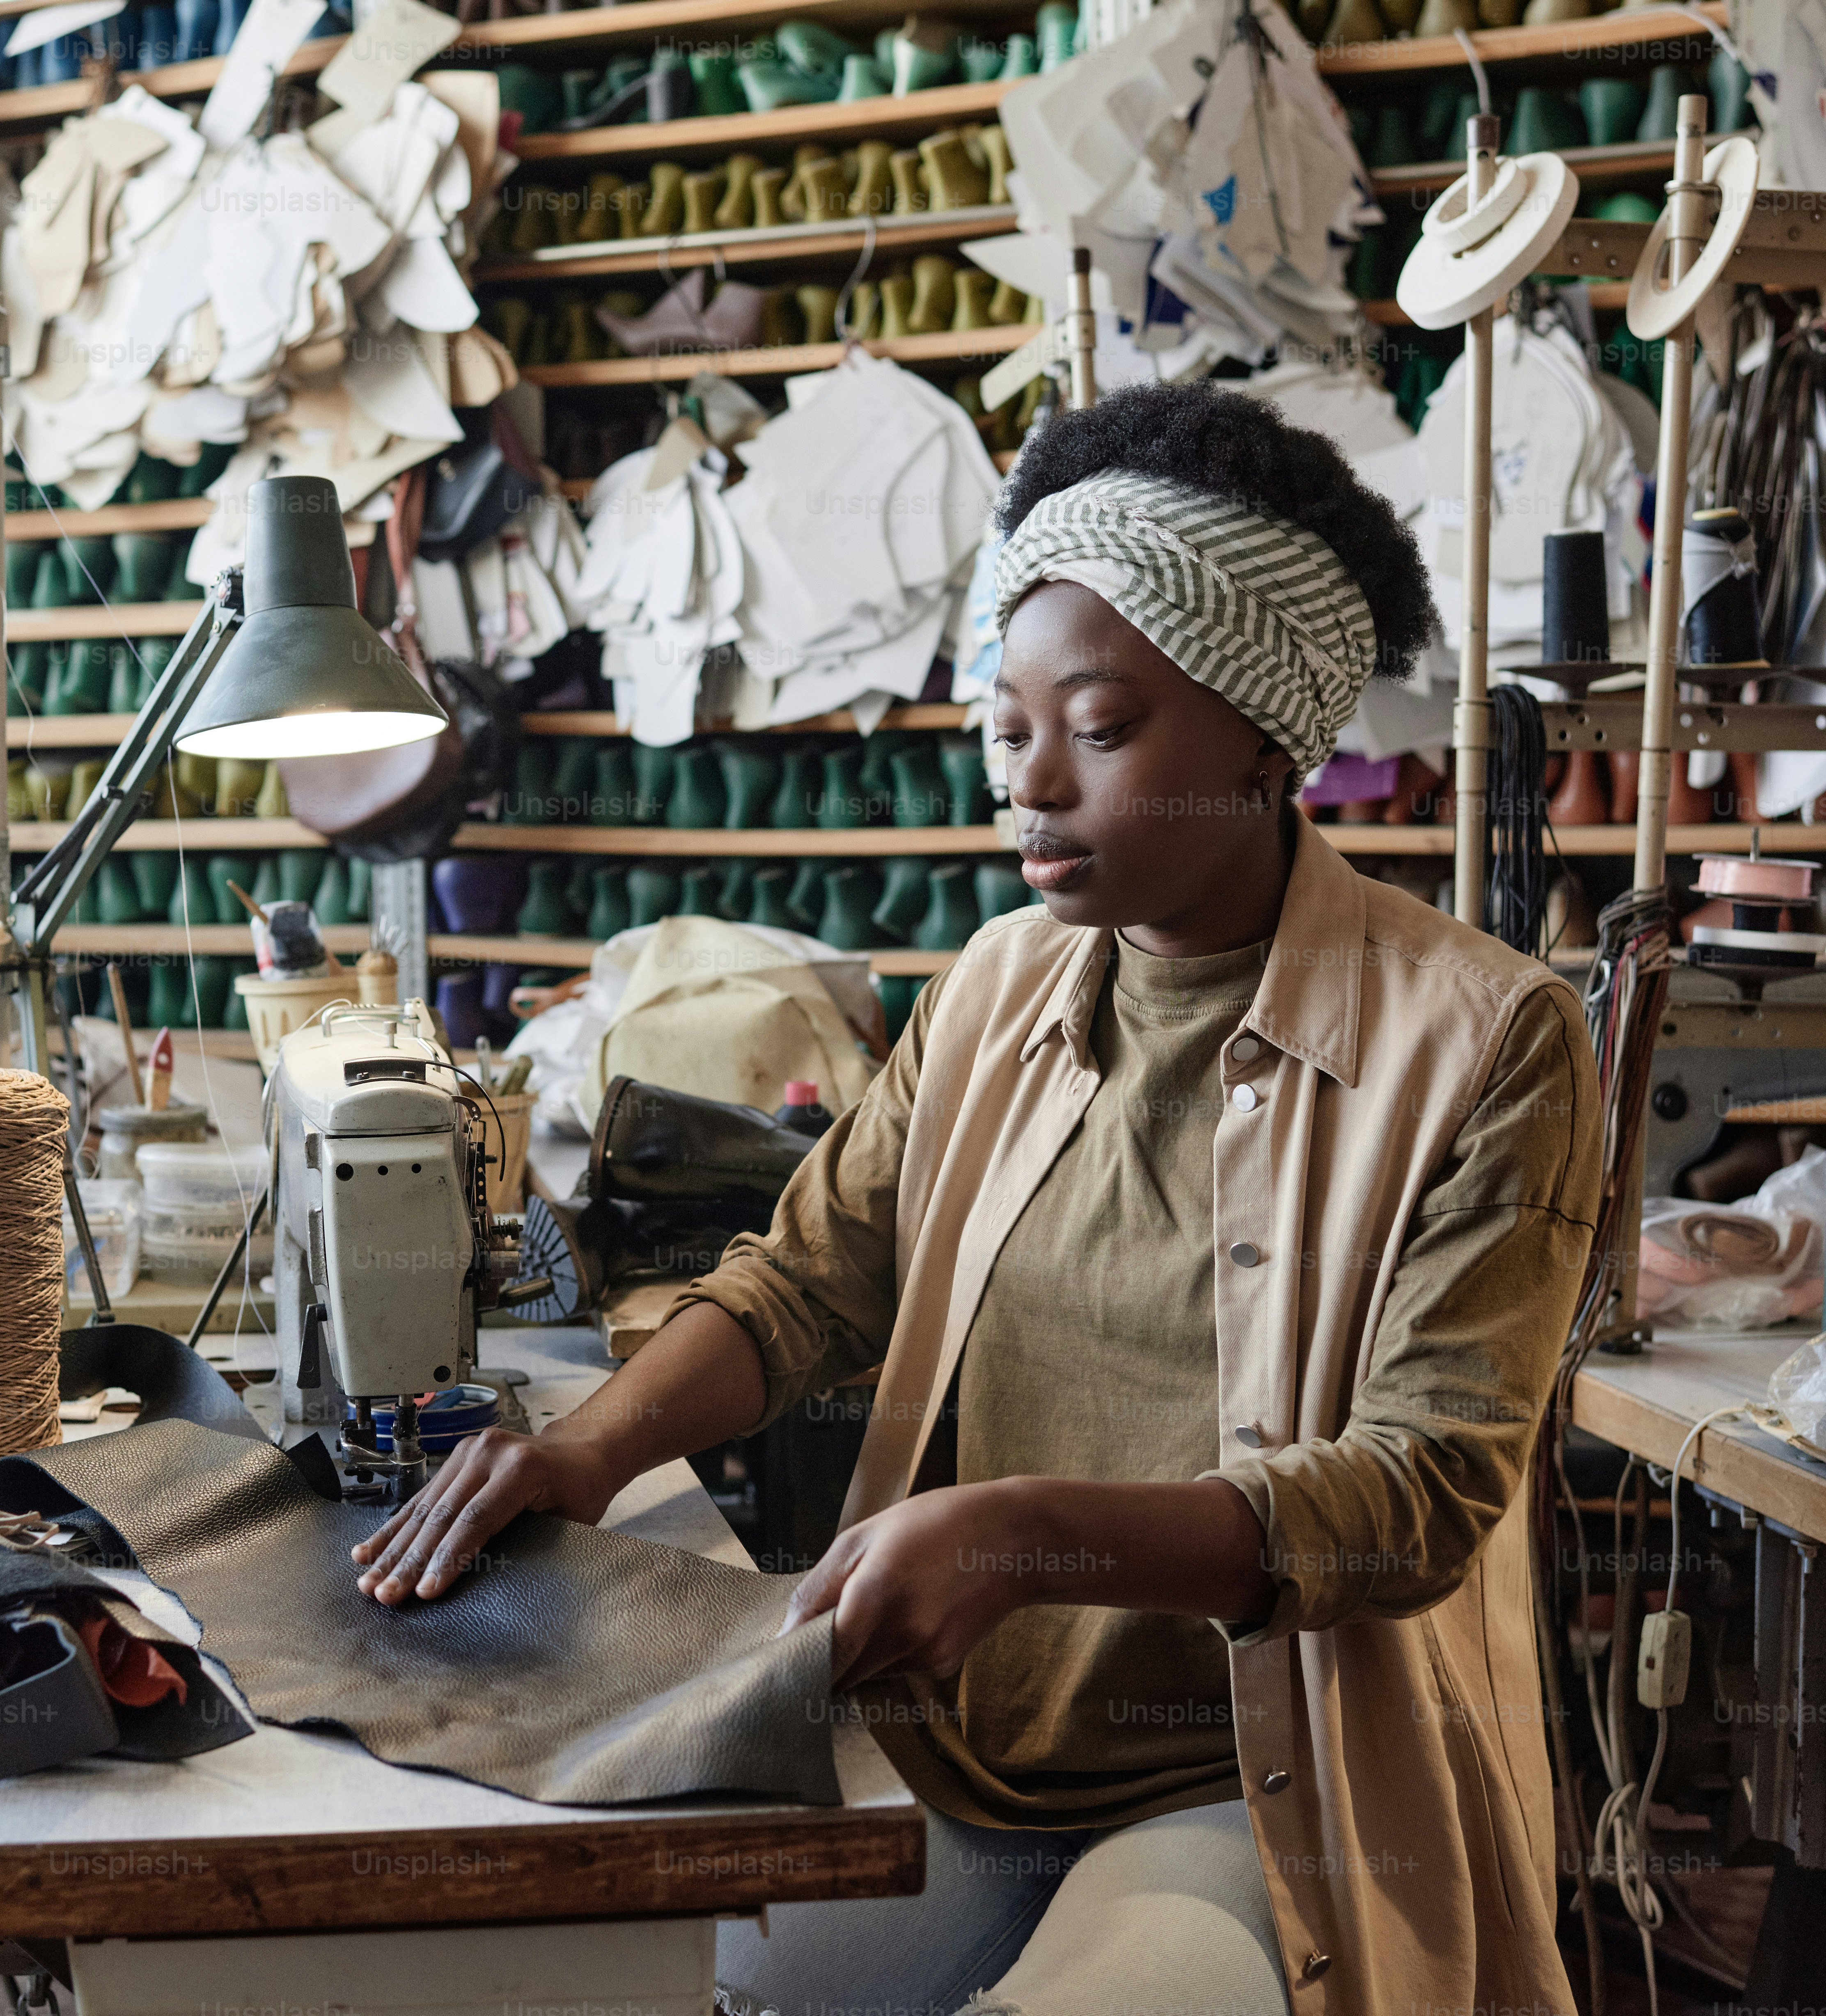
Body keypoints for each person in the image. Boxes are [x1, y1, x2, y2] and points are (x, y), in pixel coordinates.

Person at [353, 383, 1601, 2016]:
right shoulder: (1005, 983)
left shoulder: (1484, 1034)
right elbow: (811, 1278)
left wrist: (1024, 1535)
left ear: (1262, 733)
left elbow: (1418, 1492)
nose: (1032, 780)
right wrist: (592, 1449)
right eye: (1008, 727)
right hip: (973, 1748)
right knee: (643, 1980)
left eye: (1098, 727)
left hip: (1265, 1777)